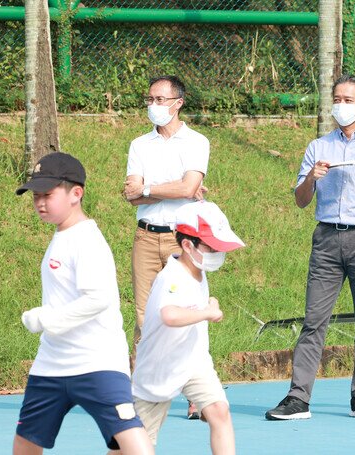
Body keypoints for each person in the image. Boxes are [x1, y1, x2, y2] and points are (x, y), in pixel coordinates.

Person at [265, 75, 355, 420]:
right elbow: (300, 200)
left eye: (347, 99)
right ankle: (298, 397)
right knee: (314, 320)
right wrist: (312, 177)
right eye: (336, 98)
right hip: (327, 238)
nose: (340, 105)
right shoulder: (318, 147)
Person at [14, 152, 153, 455]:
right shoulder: (62, 235)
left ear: (76, 193)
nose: (39, 202)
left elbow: (98, 299)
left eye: (47, 194)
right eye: (36, 195)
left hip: (97, 362)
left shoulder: (86, 239)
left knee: (131, 443)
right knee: (24, 446)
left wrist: (45, 319)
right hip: (51, 364)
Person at [126, 200, 244, 455]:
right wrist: (207, 312)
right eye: (212, 247)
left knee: (219, 412)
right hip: (159, 367)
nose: (218, 253)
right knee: (131, 446)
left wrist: (210, 304)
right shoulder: (172, 276)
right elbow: (169, 315)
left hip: (192, 360)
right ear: (187, 245)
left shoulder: (197, 268)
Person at [123, 75, 210, 419]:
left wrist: (148, 188)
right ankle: (139, 393)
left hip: (183, 239)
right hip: (145, 236)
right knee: (144, 318)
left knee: (188, 315)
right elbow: (131, 196)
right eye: (149, 99)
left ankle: (196, 395)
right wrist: (158, 189)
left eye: (160, 99)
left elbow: (190, 187)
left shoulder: (196, 142)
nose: (153, 106)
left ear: (178, 103)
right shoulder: (139, 145)